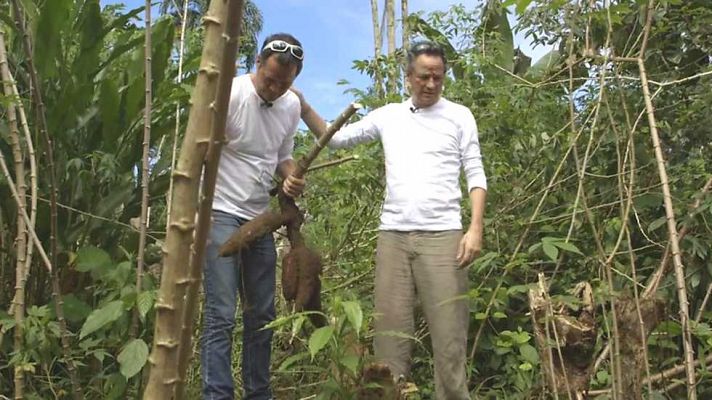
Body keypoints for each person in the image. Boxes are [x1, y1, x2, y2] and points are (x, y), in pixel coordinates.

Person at [295, 40, 486, 399]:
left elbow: (475, 173)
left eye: (438, 77)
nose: (431, 84)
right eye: (423, 77)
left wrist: (475, 228)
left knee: (449, 340)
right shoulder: (389, 116)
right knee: (390, 342)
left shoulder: (459, 115)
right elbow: (336, 140)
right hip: (393, 239)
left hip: (444, 238)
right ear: (408, 76)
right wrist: (303, 106)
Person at [201, 33, 307, 400]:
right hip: (218, 213)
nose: (275, 88)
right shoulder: (228, 94)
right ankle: (217, 395)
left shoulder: (290, 106)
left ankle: (259, 394)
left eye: (284, 83)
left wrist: (291, 177)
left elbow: (282, 156)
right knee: (222, 314)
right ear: (258, 65)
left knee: (262, 314)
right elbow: (199, 147)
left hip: (259, 218)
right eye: (270, 79)